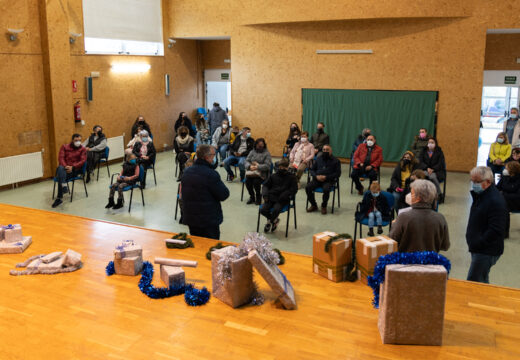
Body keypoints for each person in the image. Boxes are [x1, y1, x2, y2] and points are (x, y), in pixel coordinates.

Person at [466, 166, 507, 284]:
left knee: (474, 281)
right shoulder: (482, 195)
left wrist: (479, 243)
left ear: (488, 182)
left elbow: (496, 229)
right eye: (472, 181)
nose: (474, 184)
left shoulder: (495, 201)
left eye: (477, 182)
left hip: (485, 251)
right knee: (482, 279)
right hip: (479, 248)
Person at [181, 145, 230, 239]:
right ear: (207, 157)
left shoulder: (186, 172)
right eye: (213, 155)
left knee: (198, 245)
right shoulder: (211, 174)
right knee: (211, 247)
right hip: (208, 220)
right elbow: (224, 194)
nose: (214, 158)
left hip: (191, 218)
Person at [389, 179, 450, 253]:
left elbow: (391, 241)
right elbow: (445, 246)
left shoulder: (403, 217)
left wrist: (395, 225)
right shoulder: (440, 218)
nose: (409, 196)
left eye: (411, 193)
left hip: (406, 262)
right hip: (431, 262)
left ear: (418, 198)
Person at [260, 158, 298, 232]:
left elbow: (294, 189)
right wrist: (265, 195)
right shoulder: (273, 176)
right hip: (270, 198)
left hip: (282, 199)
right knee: (262, 210)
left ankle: (269, 222)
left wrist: (286, 195)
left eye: (284, 167)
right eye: (281, 167)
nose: (282, 169)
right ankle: (274, 221)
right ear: (278, 167)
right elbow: (265, 186)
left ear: (287, 167)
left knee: (276, 210)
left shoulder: (292, 177)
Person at [51, 134, 87, 208]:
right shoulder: (64, 147)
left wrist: (73, 167)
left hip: (75, 170)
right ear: (72, 140)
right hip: (65, 169)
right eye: (76, 140)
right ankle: (64, 186)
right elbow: (61, 158)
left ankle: (59, 198)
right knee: (60, 168)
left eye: (79, 140)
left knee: (60, 176)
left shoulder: (83, 149)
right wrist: (66, 167)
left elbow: (83, 161)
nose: (78, 142)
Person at [306, 144, 341, 214]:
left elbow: (338, 174)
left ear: (331, 151)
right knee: (308, 187)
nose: (325, 151)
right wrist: (316, 176)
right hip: (317, 179)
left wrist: (326, 177)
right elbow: (312, 170)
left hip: (328, 180)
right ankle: (314, 205)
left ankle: (324, 206)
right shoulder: (319, 159)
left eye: (327, 150)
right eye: (324, 150)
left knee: (326, 189)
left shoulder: (336, 161)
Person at [244, 138, 272, 205]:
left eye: (261, 144)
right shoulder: (252, 151)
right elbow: (246, 161)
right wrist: (249, 166)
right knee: (247, 181)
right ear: (255, 145)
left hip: (262, 173)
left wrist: (258, 167)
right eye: (258, 144)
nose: (260, 146)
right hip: (252, 171)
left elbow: (267, 166)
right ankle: (252, 197)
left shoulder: (267, 153)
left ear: (264, 145)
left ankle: (258, 197)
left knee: (256, 182)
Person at [497, 161, 520, 238]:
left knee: (504, 207)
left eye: (507, 168)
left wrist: (504, 195)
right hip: (505, 199)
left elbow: (518, 196)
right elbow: (497, 187)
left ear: (512, 170)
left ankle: (504, 233)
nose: (505, 170)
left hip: (516, 201)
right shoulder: (504, 177)